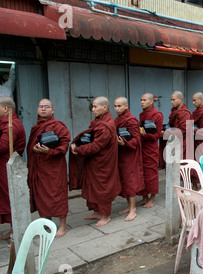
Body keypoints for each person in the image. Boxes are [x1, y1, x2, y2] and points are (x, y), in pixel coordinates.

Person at [69, 96, 121, 227]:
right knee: (92, 186)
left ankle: (106, 215)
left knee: (102, 188)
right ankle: (97, 212)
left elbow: (96, 146)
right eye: (92, 107)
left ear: (104, 107)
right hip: (94, 161)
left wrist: (79, 150)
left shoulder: (105, 125)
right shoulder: (100, 121)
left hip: (103, 163)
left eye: (95, 107)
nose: (93, 110)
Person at [27, 98, 70, 237]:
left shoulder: (58, 126)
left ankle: (63, 225)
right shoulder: (36, 127)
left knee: (58, 194)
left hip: (54, 168)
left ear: (52, 110)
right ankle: (47, 223)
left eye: (46, 106)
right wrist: (34, 149)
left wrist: (49, 152)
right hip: (40, 167)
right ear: (37, 109)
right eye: (40, 106)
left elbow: (64, 147)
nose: (43, 109)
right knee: (42, 196)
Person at [0, 96, 26, 239]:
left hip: (7, 168)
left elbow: (2, 146)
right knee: (5, 199)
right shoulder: (3, 124)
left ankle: (18, 234)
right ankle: (13, 230)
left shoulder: (14, 125)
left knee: (11, 199)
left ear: (5, 109)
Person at [114, 97, 144, 221]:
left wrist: (124, 143)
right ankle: (128, 206)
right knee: (124, 180)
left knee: (130, 180)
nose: (117, 108)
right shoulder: (117, 120)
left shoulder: (131, 120)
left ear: (126, 106)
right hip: (121, 154)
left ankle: (133, 209)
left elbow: (136, 139)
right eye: (115, 106)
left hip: (130, 154)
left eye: (119, 106)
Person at [137, 93, 163, 208]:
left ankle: (152, 198)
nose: (142, 102)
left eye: (145, 100)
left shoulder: (157, 115)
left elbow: (157, 135)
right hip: (141, 147)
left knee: (151, 173)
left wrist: (145, 135)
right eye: (141, 100)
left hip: (151, 148)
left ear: (152, 102)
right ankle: (144, 197)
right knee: (142, 173)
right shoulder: (142, 115)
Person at [166, 91, 192, 160]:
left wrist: (167, 133)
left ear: (180, 99)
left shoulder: (186, 113)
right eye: (171, 100)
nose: (172, 102)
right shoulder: (174, 112)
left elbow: (183, 130)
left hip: (182, 141)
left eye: (173, 100)